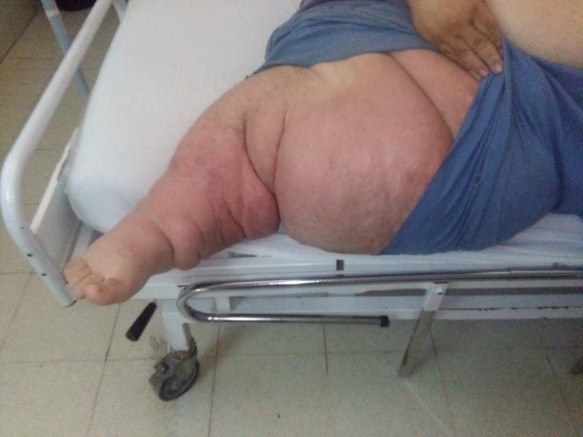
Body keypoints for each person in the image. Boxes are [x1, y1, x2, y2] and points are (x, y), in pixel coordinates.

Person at [64, 0, 583, 305]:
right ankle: (159, 227)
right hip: (513, 120)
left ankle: (163, 224)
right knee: (253, 131)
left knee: (247, 139)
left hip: (540, 115)